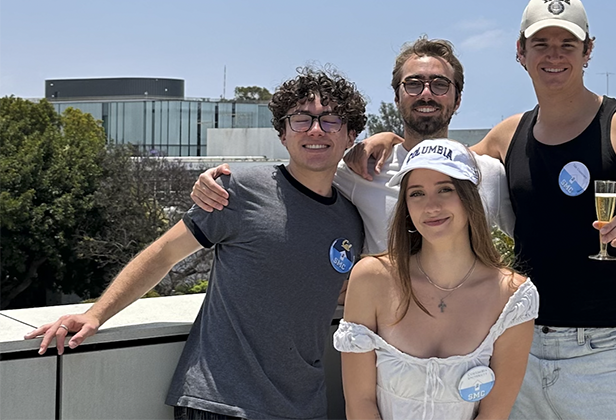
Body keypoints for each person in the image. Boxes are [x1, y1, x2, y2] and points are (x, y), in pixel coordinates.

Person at [349, 0, 616, 419]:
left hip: (604, 350)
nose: (554, 56)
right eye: (541, 45)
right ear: (520, 52)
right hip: (516, 343)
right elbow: (438, 169)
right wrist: (392, 142)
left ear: (588, 51)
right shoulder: (509, 135)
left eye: (567, 44)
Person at [24, 67, 368, 420]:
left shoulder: (352, 221)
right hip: (218, 403)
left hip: (304, 407)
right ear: (282, 133)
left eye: (331, 120)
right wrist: (95, 314)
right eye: (301, 119)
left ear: (351, 135)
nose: (315, 130)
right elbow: (164, 254)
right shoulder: (238, 189)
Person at [190, 37, 514, 255]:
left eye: (440, 84)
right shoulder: (360, 170)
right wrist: (223, 181)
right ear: (397, 95)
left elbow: (535, 242)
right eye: (413, 83)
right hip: (390, 347)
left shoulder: (490, 174)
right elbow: (295, 178)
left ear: (457, 99)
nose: (426, 93)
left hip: (475, 346)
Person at [334, 138, 538, 420]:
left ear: (471, 198)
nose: (431, 206)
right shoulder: (371, 278)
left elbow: (494, 414)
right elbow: (360, 403)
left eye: (445, 190)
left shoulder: (513, 297)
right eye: (416, 194)